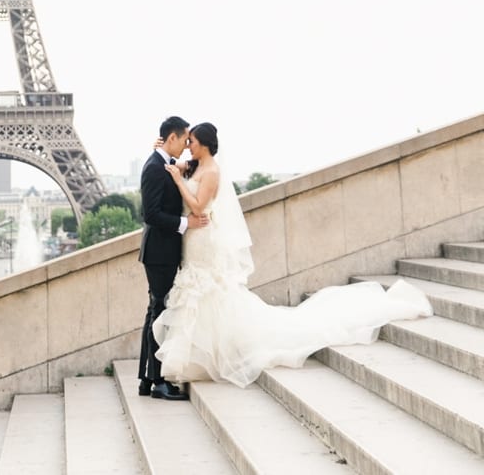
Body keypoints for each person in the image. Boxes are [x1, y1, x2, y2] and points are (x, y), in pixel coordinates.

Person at [153, 122, 432, 386]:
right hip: (194, 241)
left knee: (208, 294)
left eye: (192, 142)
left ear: (205, 145)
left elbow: (200, 207)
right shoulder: (197, 165)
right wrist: (164, 153)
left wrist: (179, 182)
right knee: (203, 297)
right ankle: (200, 356)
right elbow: (176, 165)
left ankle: (207, 356)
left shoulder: (212, 172)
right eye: (187, 141)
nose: (188, 145)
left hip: (202, 238)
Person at [137, 115, 210, 400]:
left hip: (159, 251)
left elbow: (193, 164)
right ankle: (159, 383)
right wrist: (185, 224)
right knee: (161, 313)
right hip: (159, 251)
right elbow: (150, 214)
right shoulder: (155, 168)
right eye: (184, 140)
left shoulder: (162, 163)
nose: (186, 145)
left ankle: (147, 378)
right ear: (172, 138)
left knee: (155, 311)